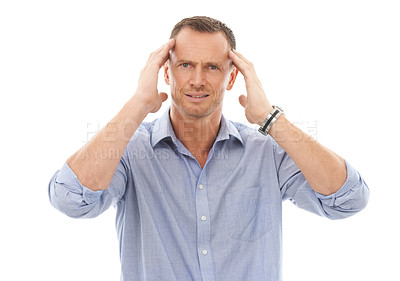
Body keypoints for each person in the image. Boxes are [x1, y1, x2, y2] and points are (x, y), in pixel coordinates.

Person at [48, 16, 369, 281]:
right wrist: (138, 104)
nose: (197, 79)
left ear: (232, 79)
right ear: (166, 72)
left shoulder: (266, 152)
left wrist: (270, 118)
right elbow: (71, 199)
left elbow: (348, 200)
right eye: (185, 65)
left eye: (213, 67)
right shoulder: (130, 152)